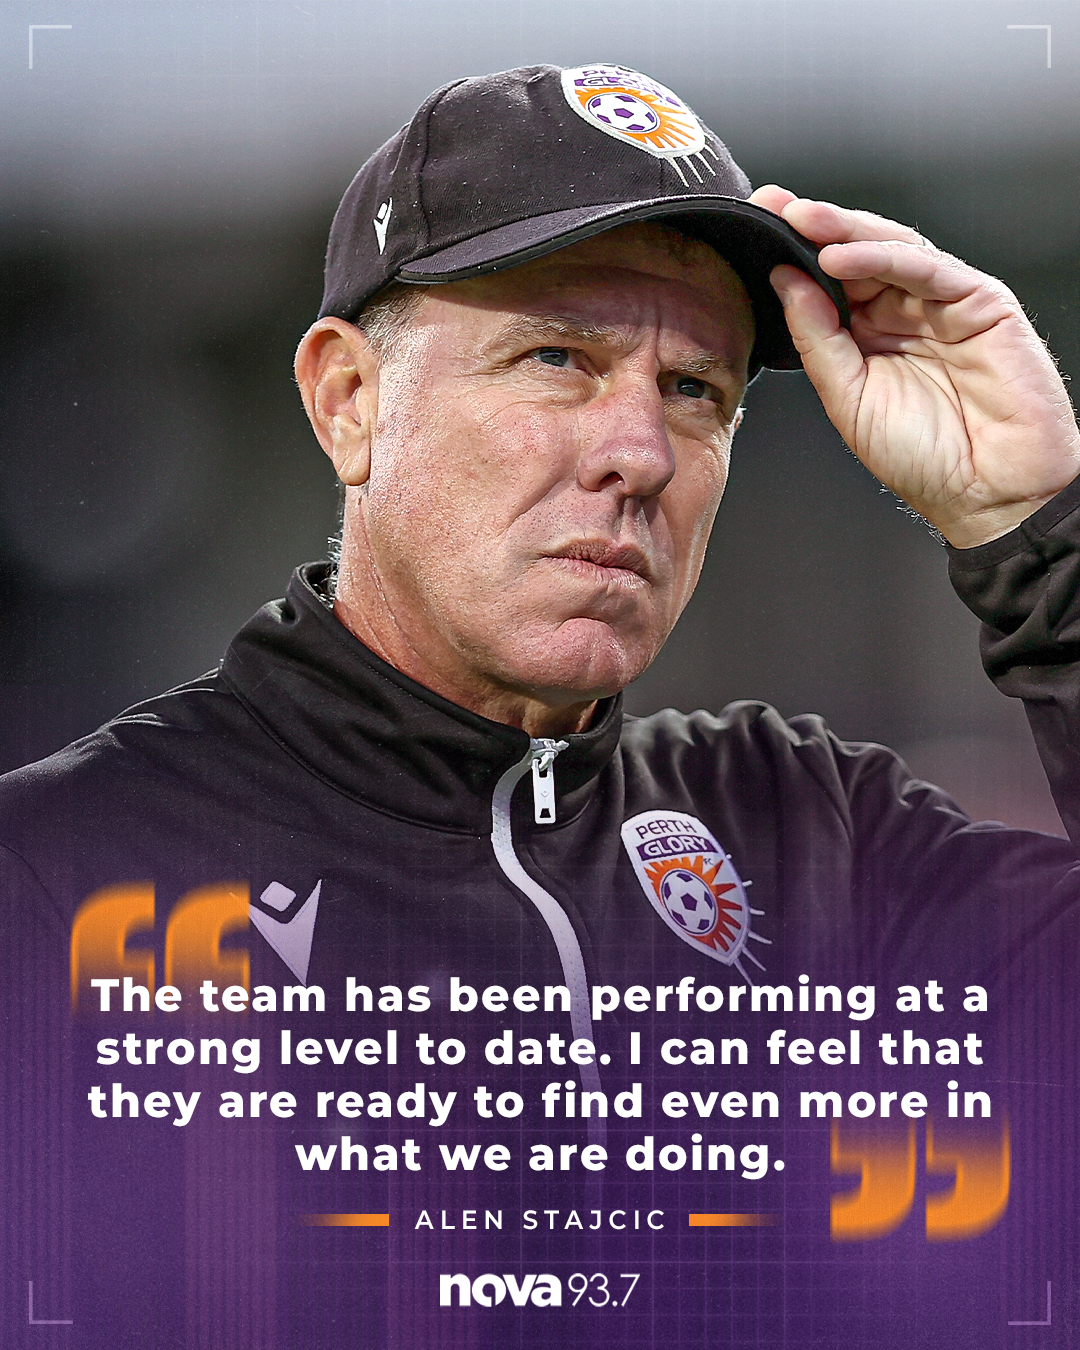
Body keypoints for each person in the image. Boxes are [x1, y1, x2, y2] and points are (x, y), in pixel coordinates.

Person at [3, 62, 1079, 1349]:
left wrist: (1037, 535)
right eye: (558, 357)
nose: (641, 454)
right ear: (349, 401)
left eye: (696, 390)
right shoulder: (57, 874)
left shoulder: (816, 835)